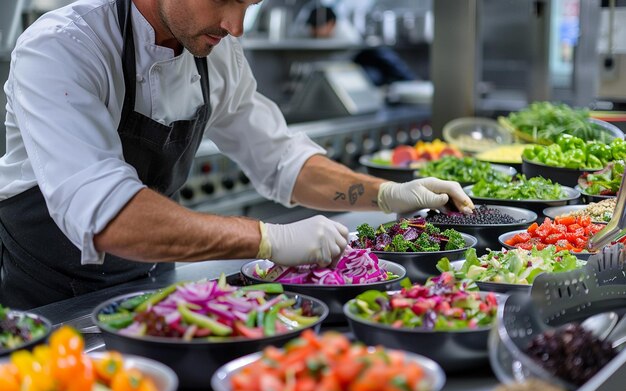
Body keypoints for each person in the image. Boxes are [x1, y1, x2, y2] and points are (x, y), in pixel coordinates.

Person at [0, 0, 474, 309]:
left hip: (152, 287)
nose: (235, 25)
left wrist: (389, 194)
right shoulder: (64, 47)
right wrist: (267, 239)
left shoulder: (215, 50)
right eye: (224, 0)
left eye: (248, 4)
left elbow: (280, 157)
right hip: (52, 303)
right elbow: (109, 216)